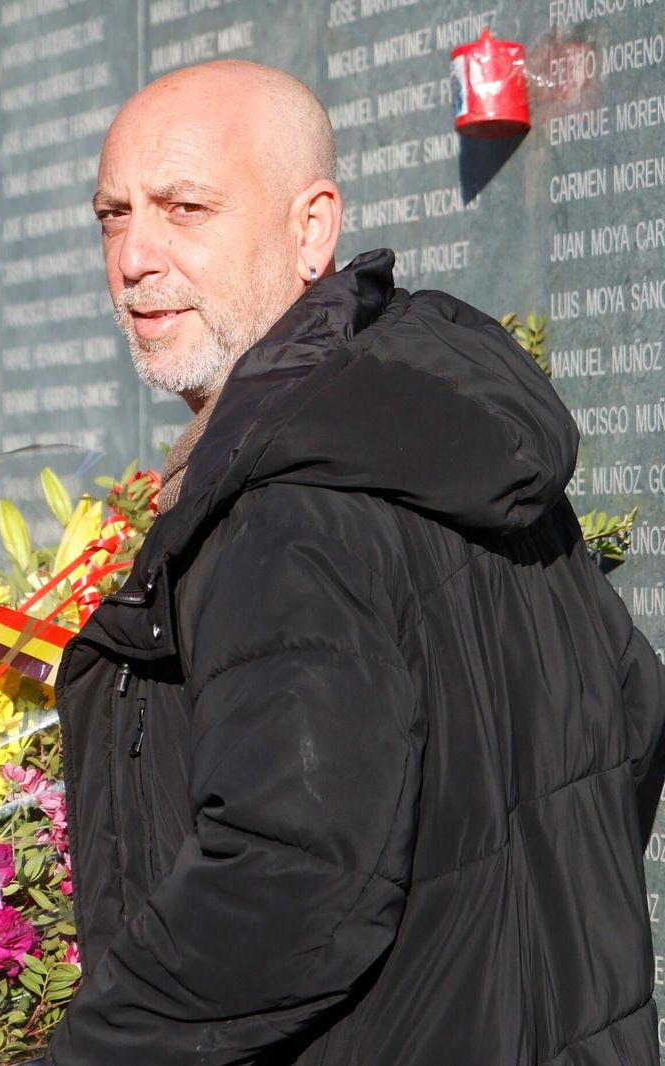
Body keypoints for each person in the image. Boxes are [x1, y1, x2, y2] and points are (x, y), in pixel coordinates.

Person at [47, 60, 665, 1064]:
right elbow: (627, 722)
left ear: (311, 229)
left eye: (185, 207)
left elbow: (288, 882)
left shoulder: (289, 506)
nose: (133, 255)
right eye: (112, 214)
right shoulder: (437, 425)